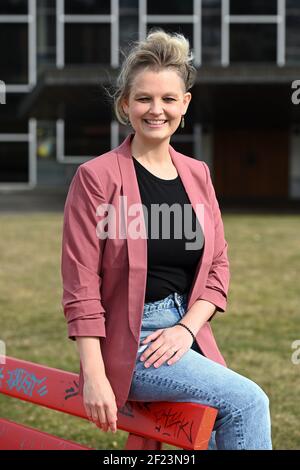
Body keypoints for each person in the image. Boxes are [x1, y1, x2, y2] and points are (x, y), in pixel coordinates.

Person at [61, 29, 272, 450]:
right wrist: (96, 374)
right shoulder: (96, 178)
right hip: (129, 345)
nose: (156, 110)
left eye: (168, 99)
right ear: (125, 105)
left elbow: (218, 267)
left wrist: (185, 329)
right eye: (144, 98)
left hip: (185, 337)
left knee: (216, 434)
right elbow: (80, 284)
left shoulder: (198, 174)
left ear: (184, 105)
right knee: (249, 403)